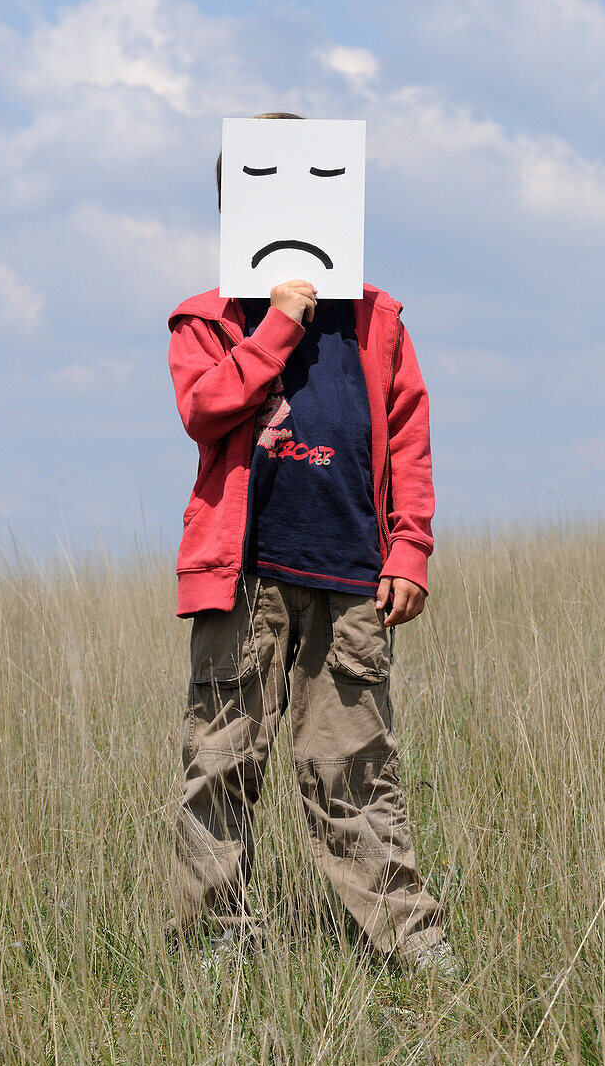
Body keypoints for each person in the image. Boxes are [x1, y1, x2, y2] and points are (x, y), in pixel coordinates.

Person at [166, 113, 459, 977]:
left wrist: (409, 551)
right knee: (220, 760)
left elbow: (408, 437)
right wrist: (279, 323)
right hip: (245, 578)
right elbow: (206, 409)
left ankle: (407, 942)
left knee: (355, 765)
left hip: (350, 575)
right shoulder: (209, 318)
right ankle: (218, 936)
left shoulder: (376, 320)